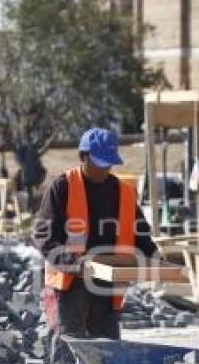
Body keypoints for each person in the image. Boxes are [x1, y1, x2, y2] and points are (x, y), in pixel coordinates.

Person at [33, 127, 159, 340]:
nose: (104, 169)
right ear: (83, 156)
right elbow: (43, 236)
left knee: (108, 347)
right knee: (69, 344)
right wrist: (73, 263)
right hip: (72, 283)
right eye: (99, 163)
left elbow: (141, 235)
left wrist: (154, 258)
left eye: (108, 163)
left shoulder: (125, 193)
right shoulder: (62, 187)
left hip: (108, 283)